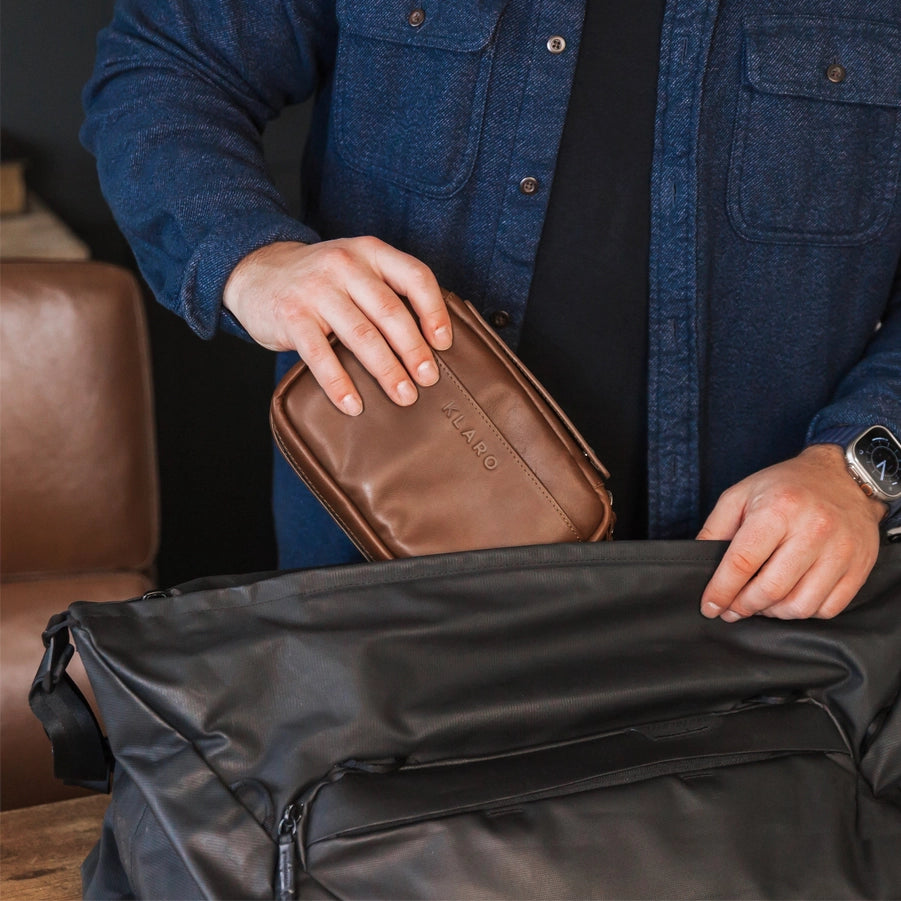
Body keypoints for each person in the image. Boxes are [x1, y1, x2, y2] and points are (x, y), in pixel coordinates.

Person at [82, 0, 901, 622]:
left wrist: (859, 468)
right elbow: (167, 63)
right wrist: (248, 257)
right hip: (383, 595)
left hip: (760, 603)